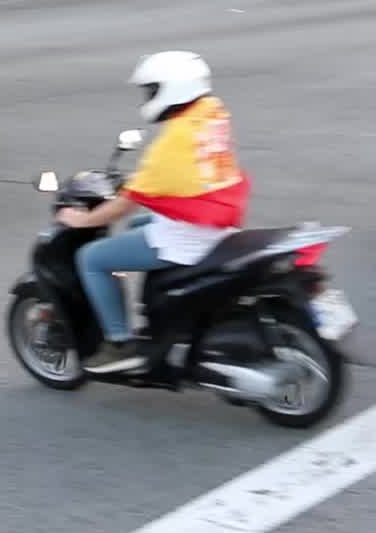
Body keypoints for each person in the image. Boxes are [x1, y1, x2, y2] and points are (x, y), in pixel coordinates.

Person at [58, 51, 248, 375]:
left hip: (188, 237)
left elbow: (125, 203)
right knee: (140, 222)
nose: (147, 97)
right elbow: (178, 176)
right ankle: (157, 306)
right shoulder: (211, 114)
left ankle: (120, 344)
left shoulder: (173, 141)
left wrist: (82, 220)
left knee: (92, 258)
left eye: (151, 90)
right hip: (215, 222)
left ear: (170, 90)